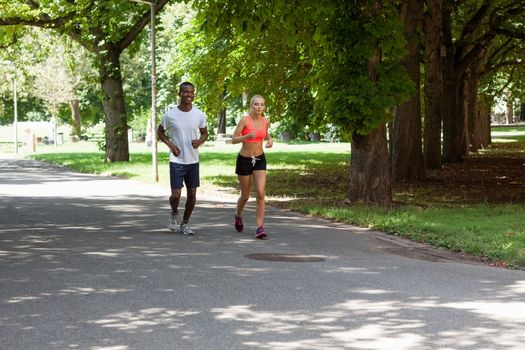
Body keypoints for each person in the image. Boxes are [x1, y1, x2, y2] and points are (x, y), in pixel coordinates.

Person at [157, 82, 208, 235]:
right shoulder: (170, 115)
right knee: (176, 195)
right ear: (179, 94)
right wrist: (171, 145)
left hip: (193, 160)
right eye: (185, 92)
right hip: (177, 160)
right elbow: (160, 132)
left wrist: (200, 141)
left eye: (191, 92)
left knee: (192, 193)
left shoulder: (199, 114)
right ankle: (174, 213)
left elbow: (205, 133)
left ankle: (185, 224)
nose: (188, 95)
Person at [230, 94, 273, 239]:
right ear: (251, 105)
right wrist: (246, 137)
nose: (259, 107)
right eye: (256, 104)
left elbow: (265, 134)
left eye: (262, 104)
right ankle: (238, 215)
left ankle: (260, 227)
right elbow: (234, 139)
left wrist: (270, 140)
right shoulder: (245, 121)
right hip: (244, 159)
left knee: (261, 193)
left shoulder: (266, 121)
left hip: (260, 159)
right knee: (245, 195)